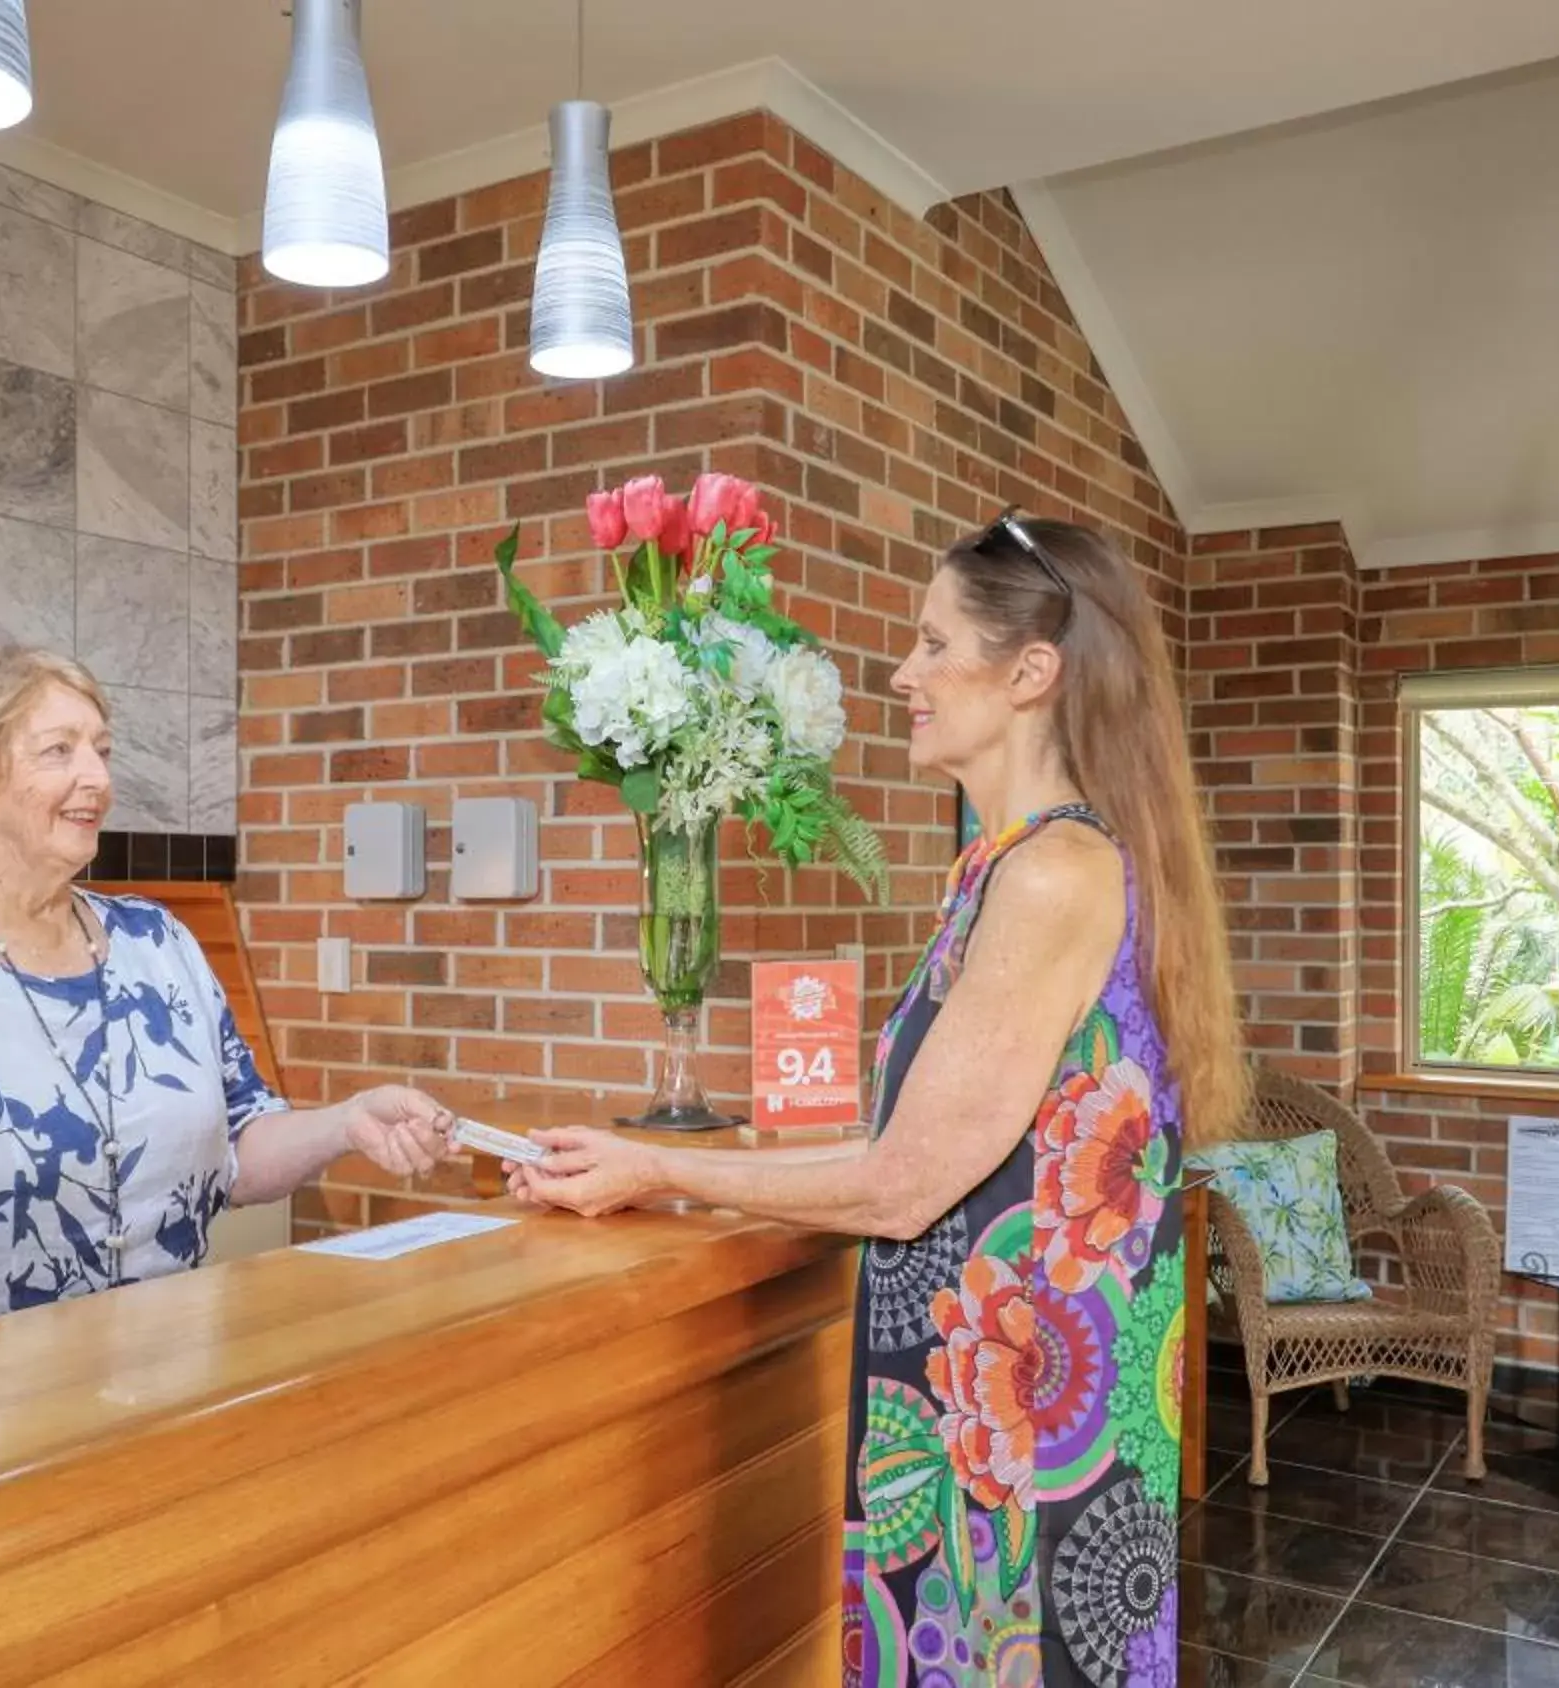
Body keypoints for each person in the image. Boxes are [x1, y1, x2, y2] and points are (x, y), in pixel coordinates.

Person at [511, 512, 1244, 1688]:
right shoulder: (1000, 864)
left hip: (1023, 1454)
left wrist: (661, 1168)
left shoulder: (1055, 873)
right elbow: (937, 1139)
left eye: (931, 643)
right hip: (986, 1414)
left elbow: (903, 1184)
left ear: (1030, 672)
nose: (901, 674)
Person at [0, 646, 456, 1364]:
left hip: (166, 1396)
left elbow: (236, 1144)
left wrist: (348, 1122)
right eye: (59, 751)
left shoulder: (159, 943)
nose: (99, 779)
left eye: (102, 750)